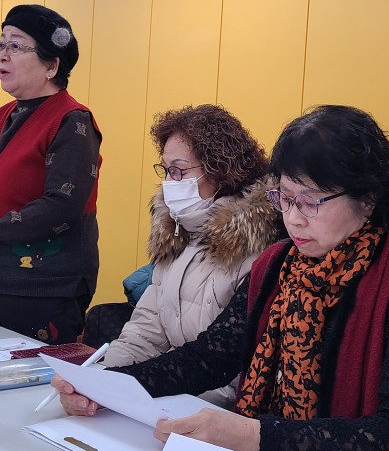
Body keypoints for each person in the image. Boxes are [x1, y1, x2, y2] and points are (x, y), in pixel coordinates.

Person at [55, 105, 389, 451]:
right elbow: (209, 357)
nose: (293, 218)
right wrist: (104, 386)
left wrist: (255, 436)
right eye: (284, 197)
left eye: (311, 201)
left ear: (368, 198)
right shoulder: (278, 264)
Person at [100, 105, 283, 405]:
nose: (168, 182)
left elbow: (232, 371)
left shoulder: (258, 248)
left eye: (178, 171)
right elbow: (144, 332)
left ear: (219, 171)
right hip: (166, 395)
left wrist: (138, 396)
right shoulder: (176, 233)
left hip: (214, 409)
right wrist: (102, 383)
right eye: (165, 170)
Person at [0, 4, 102, 343]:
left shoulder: (71, 121)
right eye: (0, 44)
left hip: (45, 285)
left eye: (16, 45)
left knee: (30, 371)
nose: (2, 54)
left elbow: (62, 205)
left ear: (52, 66)